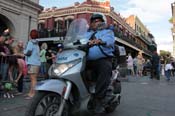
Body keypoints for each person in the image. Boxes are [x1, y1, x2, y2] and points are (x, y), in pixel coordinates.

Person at [85, 13, 115, 114]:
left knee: (104, 67)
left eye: (98, 21)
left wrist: (100, 41)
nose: (96, 23)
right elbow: (77, 41)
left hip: (103, 59)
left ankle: (99, 99)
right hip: (86, 60)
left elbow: (109, 40)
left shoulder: (107, 32)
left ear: (102, 22)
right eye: (94, 21)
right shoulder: (86, 34)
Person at [24, 29, 41, 99]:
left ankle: (32, 94)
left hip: (32, 63)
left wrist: (23, 51)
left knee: (33, 79)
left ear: (30, 35)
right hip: (37, 63)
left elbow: (28, 53)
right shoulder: (37, 43)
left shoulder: (30, 42)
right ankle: (30, 92)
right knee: (33, 79)